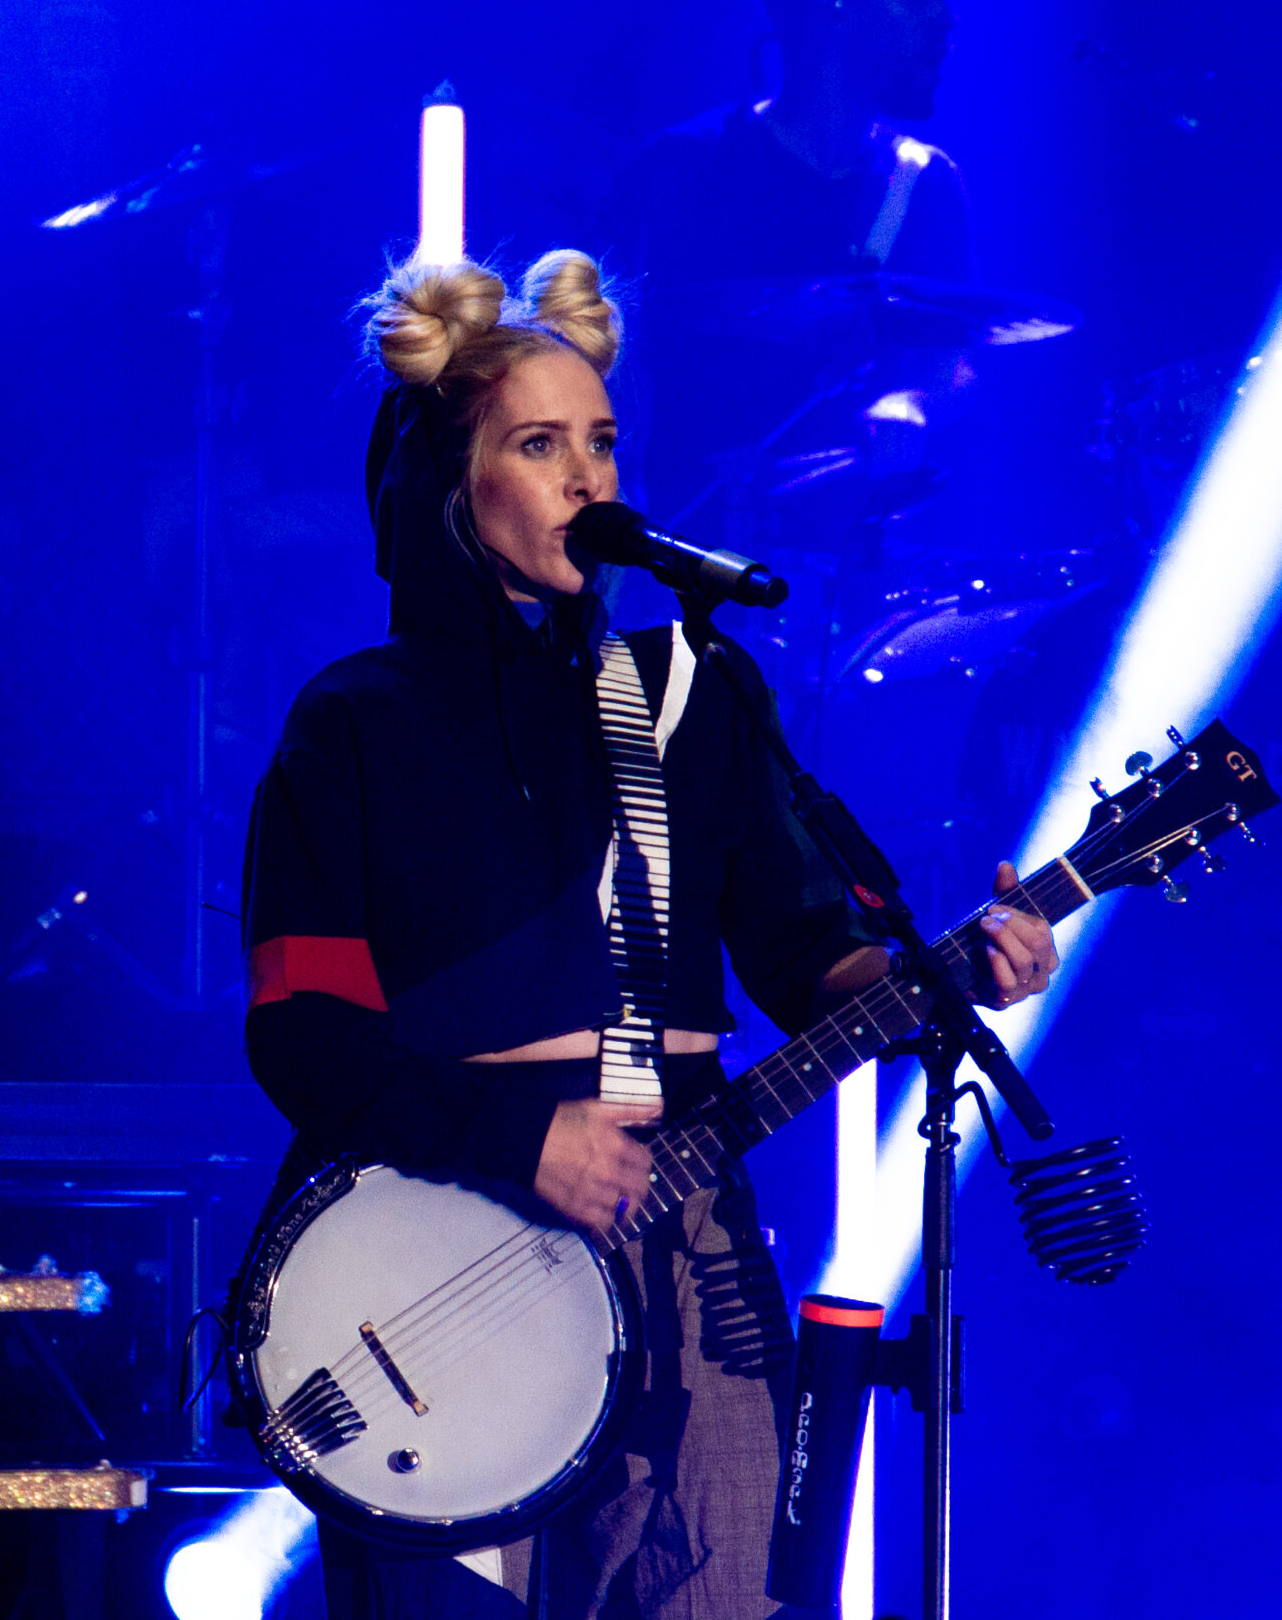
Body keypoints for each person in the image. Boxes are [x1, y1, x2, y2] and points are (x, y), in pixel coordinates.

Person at [240, 248, 1056, 1619]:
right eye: (539, 444)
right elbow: (301, 1033)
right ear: (448, 483)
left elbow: (807, 955)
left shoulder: (690, 692)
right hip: (445, 1241)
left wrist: (942, 972)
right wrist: (520, 1138)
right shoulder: (353, 721)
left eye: (603, 442)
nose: (588, 478)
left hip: (693, 1241)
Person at [603, 0, 972, 290]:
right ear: (835, 4)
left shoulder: (929, 187)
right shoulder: (677, 169)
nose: (946, 21)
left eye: (945, 2)